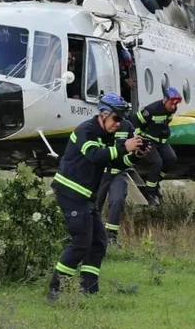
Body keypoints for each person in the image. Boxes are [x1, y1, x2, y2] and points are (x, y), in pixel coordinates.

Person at [49, 93, 142, 300]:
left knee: (99, 242)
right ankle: (56, 289)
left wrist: (133, 156)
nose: (118, 124)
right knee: (81, 242)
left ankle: (89, 290)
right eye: (116, 119)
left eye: (121, 120)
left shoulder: (105, 135)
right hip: (71, 192)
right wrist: (123, 147)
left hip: (85, 197)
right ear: (103, 114)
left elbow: (113, 163)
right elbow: (95, 156)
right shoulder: (87, 131)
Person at [132, 87, 182, 206]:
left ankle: (154, 181)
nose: (174, 107)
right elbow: (135, 120)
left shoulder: (172, 109)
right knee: (157, 163)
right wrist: (139, 138)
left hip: (161, 141)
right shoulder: (151, 110)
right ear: (165, 100)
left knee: (171, 160)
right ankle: (150, 193)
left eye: (176, 104)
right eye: (172, 103)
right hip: (148, 140)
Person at [94, 116, 138, 247]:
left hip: (119, 172)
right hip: (100, 174)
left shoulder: (127, 126)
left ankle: (111, 237)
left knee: (117, 200)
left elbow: (132, 147)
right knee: (94, 206)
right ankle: (93, 236)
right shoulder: (97, 127)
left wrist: (136, 155)